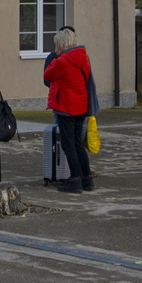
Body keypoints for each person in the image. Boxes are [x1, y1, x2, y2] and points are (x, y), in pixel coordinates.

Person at [43, 26, 94, 193]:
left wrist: (57, 58)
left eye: (57, 45)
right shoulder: (82, 58)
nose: (55, 48)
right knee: (78, 143)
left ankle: (74, 179)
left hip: (66, 106)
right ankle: (87, 179)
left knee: (68, 144)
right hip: (80, 106)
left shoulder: (62, 61)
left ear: (62, 45)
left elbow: (47, 75)